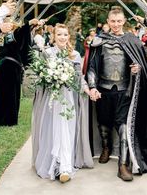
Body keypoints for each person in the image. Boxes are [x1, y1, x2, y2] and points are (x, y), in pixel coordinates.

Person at [86, 6, 147, 181]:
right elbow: (92, 67)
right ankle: (106, 148)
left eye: (119, 21)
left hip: (124, 90)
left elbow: (139, 63)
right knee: (103, 122)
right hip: (103, 90)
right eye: (113, 21)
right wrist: (92, 86)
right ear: (108, 22)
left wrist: (137, 69)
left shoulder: (132, 40)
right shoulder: (99, 41)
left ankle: (122, 164)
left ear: (124, 21)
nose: (116, 24)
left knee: (123, 125)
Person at [32, 23, 93, 183]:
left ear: (69, 37)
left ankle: (65, 165)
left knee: (68, 129)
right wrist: (51, 77)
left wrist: (88, 90)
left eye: (65, 35)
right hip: (52, 100)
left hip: (68, 99)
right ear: (54, 37)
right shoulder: (47, 53)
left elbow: (80, 78)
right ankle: (56, 164)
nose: (62, 37)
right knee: (54, 130)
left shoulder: (75, 54)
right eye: (59, 34)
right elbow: (41, 77)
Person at [0, 18, 39, 126]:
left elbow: (21, 33)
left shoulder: (15, 34)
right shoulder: (3, 36)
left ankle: (9, 119)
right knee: (1, 93)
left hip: (13, 67)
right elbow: (0, 45)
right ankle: (0, 117)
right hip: (4, 67)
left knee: (12, 93)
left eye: (9, 24)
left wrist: (30, 24)